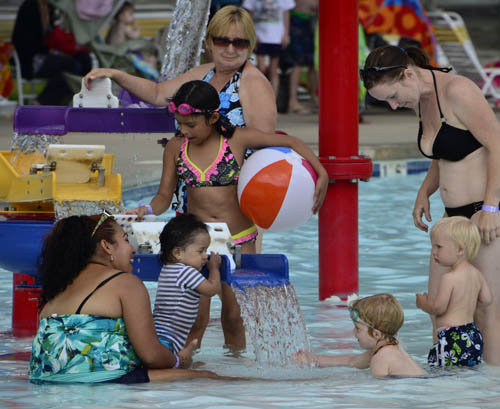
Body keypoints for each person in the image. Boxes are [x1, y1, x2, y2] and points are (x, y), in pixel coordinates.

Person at [125, 80, 328, 351]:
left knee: (233, 317)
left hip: (238, 238)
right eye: (180, 124)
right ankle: (187, 368)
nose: (184, 131)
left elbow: (290, 141)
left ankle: (235, 375)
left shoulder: (237, 139)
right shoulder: (176, 147)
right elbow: (164, 196)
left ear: (213, 117)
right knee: (197, 319)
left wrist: (321, 172)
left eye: (191, 125)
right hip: (197, 245)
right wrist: (146, 210)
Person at [360, 45, 500, 365]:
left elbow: (497, 144)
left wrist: (491, 208)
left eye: (394, 97)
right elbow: (443, 151)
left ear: (408, 74)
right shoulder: (422, 99)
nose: (394, 106)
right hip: (451, 220)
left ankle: (492, 386)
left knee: (485, 308)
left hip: (483, 212)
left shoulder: (458, 91)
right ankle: (446, 386)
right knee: (440, 310)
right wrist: (425, 190)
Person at [28, 212, 227, 383]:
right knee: (206, 376)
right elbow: (151, 356)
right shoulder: (125, 283)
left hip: (43, 381)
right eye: (125, 239)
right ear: (107, 247)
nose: (132, 248)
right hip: (102, 383)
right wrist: (179, 361)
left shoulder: (59, 287)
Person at [84, 5, 276, 133]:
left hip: (227, 185)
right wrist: (115, 74)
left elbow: (262, 142)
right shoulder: (205, 73)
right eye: (222, 41)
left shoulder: (253, 82)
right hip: (195, 179)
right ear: (209, 42)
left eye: (240, 43)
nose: (230, 49)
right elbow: (158, 93)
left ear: (250, 45)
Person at [416, 216, 492, 367]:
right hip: (472, 335)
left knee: (443, 375)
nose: (433, 252)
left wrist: (423, 304)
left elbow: (438, 308)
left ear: (460, 249)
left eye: (438, 247)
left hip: (452, 337)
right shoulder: (476, 273)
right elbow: (486, 300)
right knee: (467, 373)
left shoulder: (449, 278)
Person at [296, 294, 426, 377]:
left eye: (358, 328)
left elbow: (380, 397)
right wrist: (313, 359)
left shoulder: (381, 359)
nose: (353, 333)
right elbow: (351, 361)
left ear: (376, 333)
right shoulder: (391, 346)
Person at [154, 213, 222, 353]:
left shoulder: (167, 269)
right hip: (169, 340)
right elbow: (211, 290)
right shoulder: (186, 272)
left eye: (206, 250)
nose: (205, 256)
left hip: (156, 335)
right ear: (177, 253)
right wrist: (214, 268)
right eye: (201, 251)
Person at [12, 0, 92, 105]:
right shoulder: (30, 6)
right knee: (72, 66)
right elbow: (27, 43)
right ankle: (41, 102)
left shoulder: (51, 8)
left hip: (49, 54)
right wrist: (54, 52)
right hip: (32, 59)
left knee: (84, 60)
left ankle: (73, 100)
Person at [242, 0, 295, 98]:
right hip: (260, 36)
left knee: (273, 70)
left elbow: (286, 14)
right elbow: (249, 15)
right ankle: (258, 97)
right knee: (261, 68)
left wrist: (286, 33)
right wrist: (252, 34)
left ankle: (272, 99)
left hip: (276, 37)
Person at [285, 0, 318, 114]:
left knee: (312, 64)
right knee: (298, 63)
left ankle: (314, 98)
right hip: (298, 22)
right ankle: (292, 101)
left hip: (309, 24)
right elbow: (313, 5)